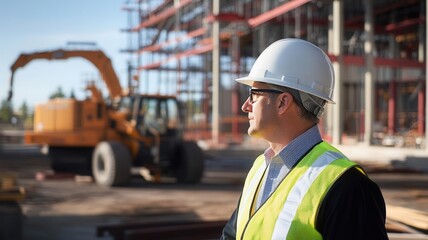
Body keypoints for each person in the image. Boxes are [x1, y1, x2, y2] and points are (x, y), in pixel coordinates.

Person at [220, 39, 388, 240]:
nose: (246, 106)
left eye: (254, 94)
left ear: (282, 102)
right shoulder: (259, 167)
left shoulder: (348, 187)